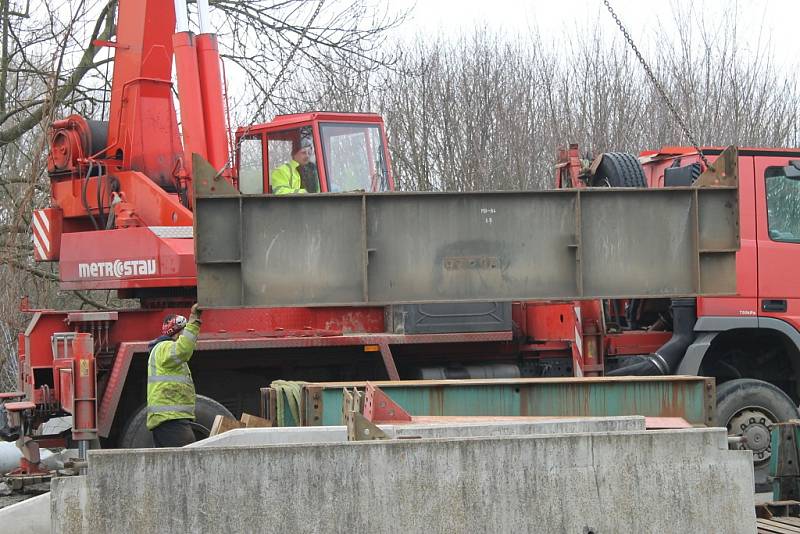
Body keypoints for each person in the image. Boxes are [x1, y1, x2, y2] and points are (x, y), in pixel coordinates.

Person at [146, 303, 202, 447]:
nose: (187, 336)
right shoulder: (165, 348)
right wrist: (194, 320)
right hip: (170, 418)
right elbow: (184, 348)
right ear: (177, 332)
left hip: (169, 419)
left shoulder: (164, 351)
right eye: (184, 332)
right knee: (186, 463)